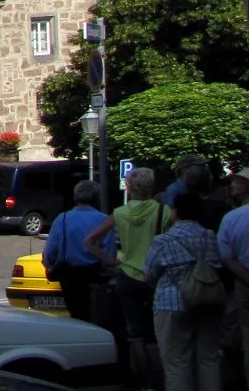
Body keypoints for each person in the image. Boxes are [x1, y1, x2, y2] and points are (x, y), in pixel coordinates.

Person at [88, 167, 163, 390]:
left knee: (135, 334)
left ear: (129, 188)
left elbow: (90, 241)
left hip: (128, 275)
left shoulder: (120, 213)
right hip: (154, 276)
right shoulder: (163, 211)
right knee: (160, 330)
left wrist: (111, 261)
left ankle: (145, 383)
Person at [146, 191, 224, 391]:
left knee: (176, 362)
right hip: (208, 301)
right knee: (209, 359)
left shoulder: (163, 240)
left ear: (175, 212)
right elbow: (216, 265)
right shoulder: (209, 236)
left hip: (171, 304)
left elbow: (150, 273)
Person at [43, 179, 111, 323]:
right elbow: (110, 254)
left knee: (77, 316)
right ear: (96, 197)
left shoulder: (63, 218)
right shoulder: (104, 220)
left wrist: (49, 265)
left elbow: (49, 253)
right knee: (97, 317)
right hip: (95, 276)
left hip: (70, 276)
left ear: (75, 197)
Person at [218, 173, 249, 391]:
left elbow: (225, 255)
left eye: (238, 181)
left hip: (243, 280)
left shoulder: (232, 217)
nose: (232, 184)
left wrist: (245, 278)